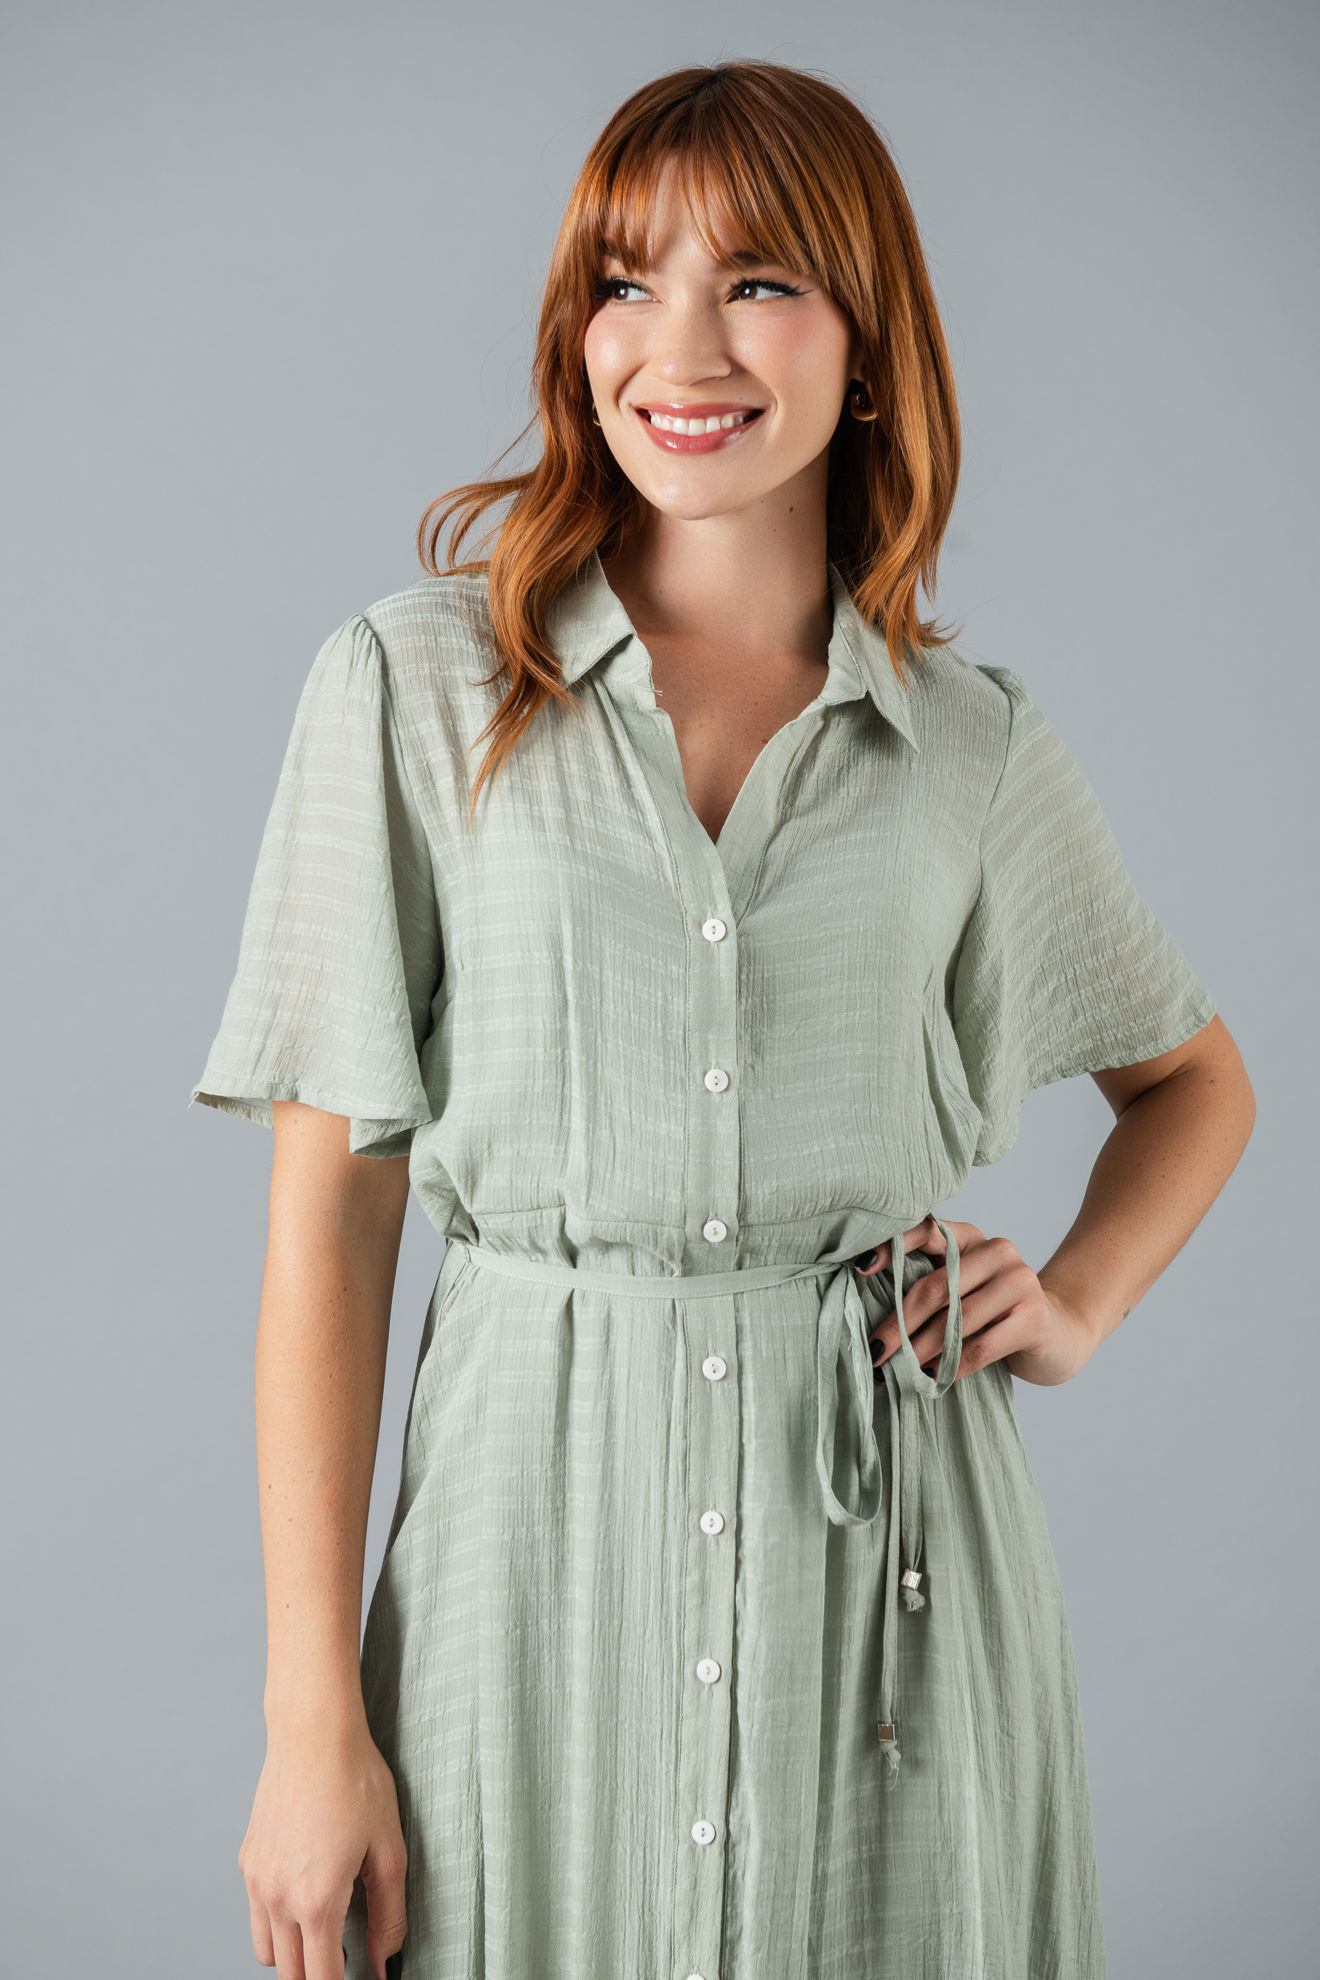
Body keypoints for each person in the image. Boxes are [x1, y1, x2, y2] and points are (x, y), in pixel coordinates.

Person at [188, 59, 1254, 1980]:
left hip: (893, 1599)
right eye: (626, 281)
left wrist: (1076, 1303)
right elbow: (330, 1219)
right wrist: (306, 1719)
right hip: (523, 1561)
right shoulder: (415, 690)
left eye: (758, 281)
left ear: (869, 337)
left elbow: (1192, 1084)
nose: (679, 345)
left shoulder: (968, 744)